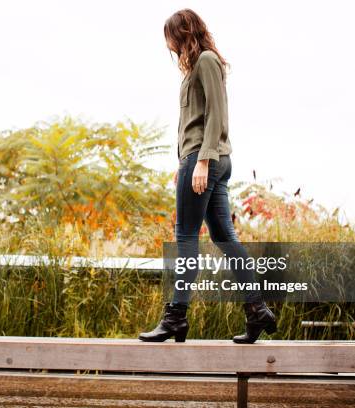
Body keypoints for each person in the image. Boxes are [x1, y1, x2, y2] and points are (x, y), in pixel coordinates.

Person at [138, 8, 276, 344]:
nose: (168, 45)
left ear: (182, 32)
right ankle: (257, 310)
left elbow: (217, 113)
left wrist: (200, 161)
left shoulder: (207, 62)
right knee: (225, 239)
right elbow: (196, 121)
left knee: (185, 238)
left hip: (207, 160)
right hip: (203, 159)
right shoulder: (196, 68)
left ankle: (175, 319)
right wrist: (186, 161)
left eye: (170, 37)